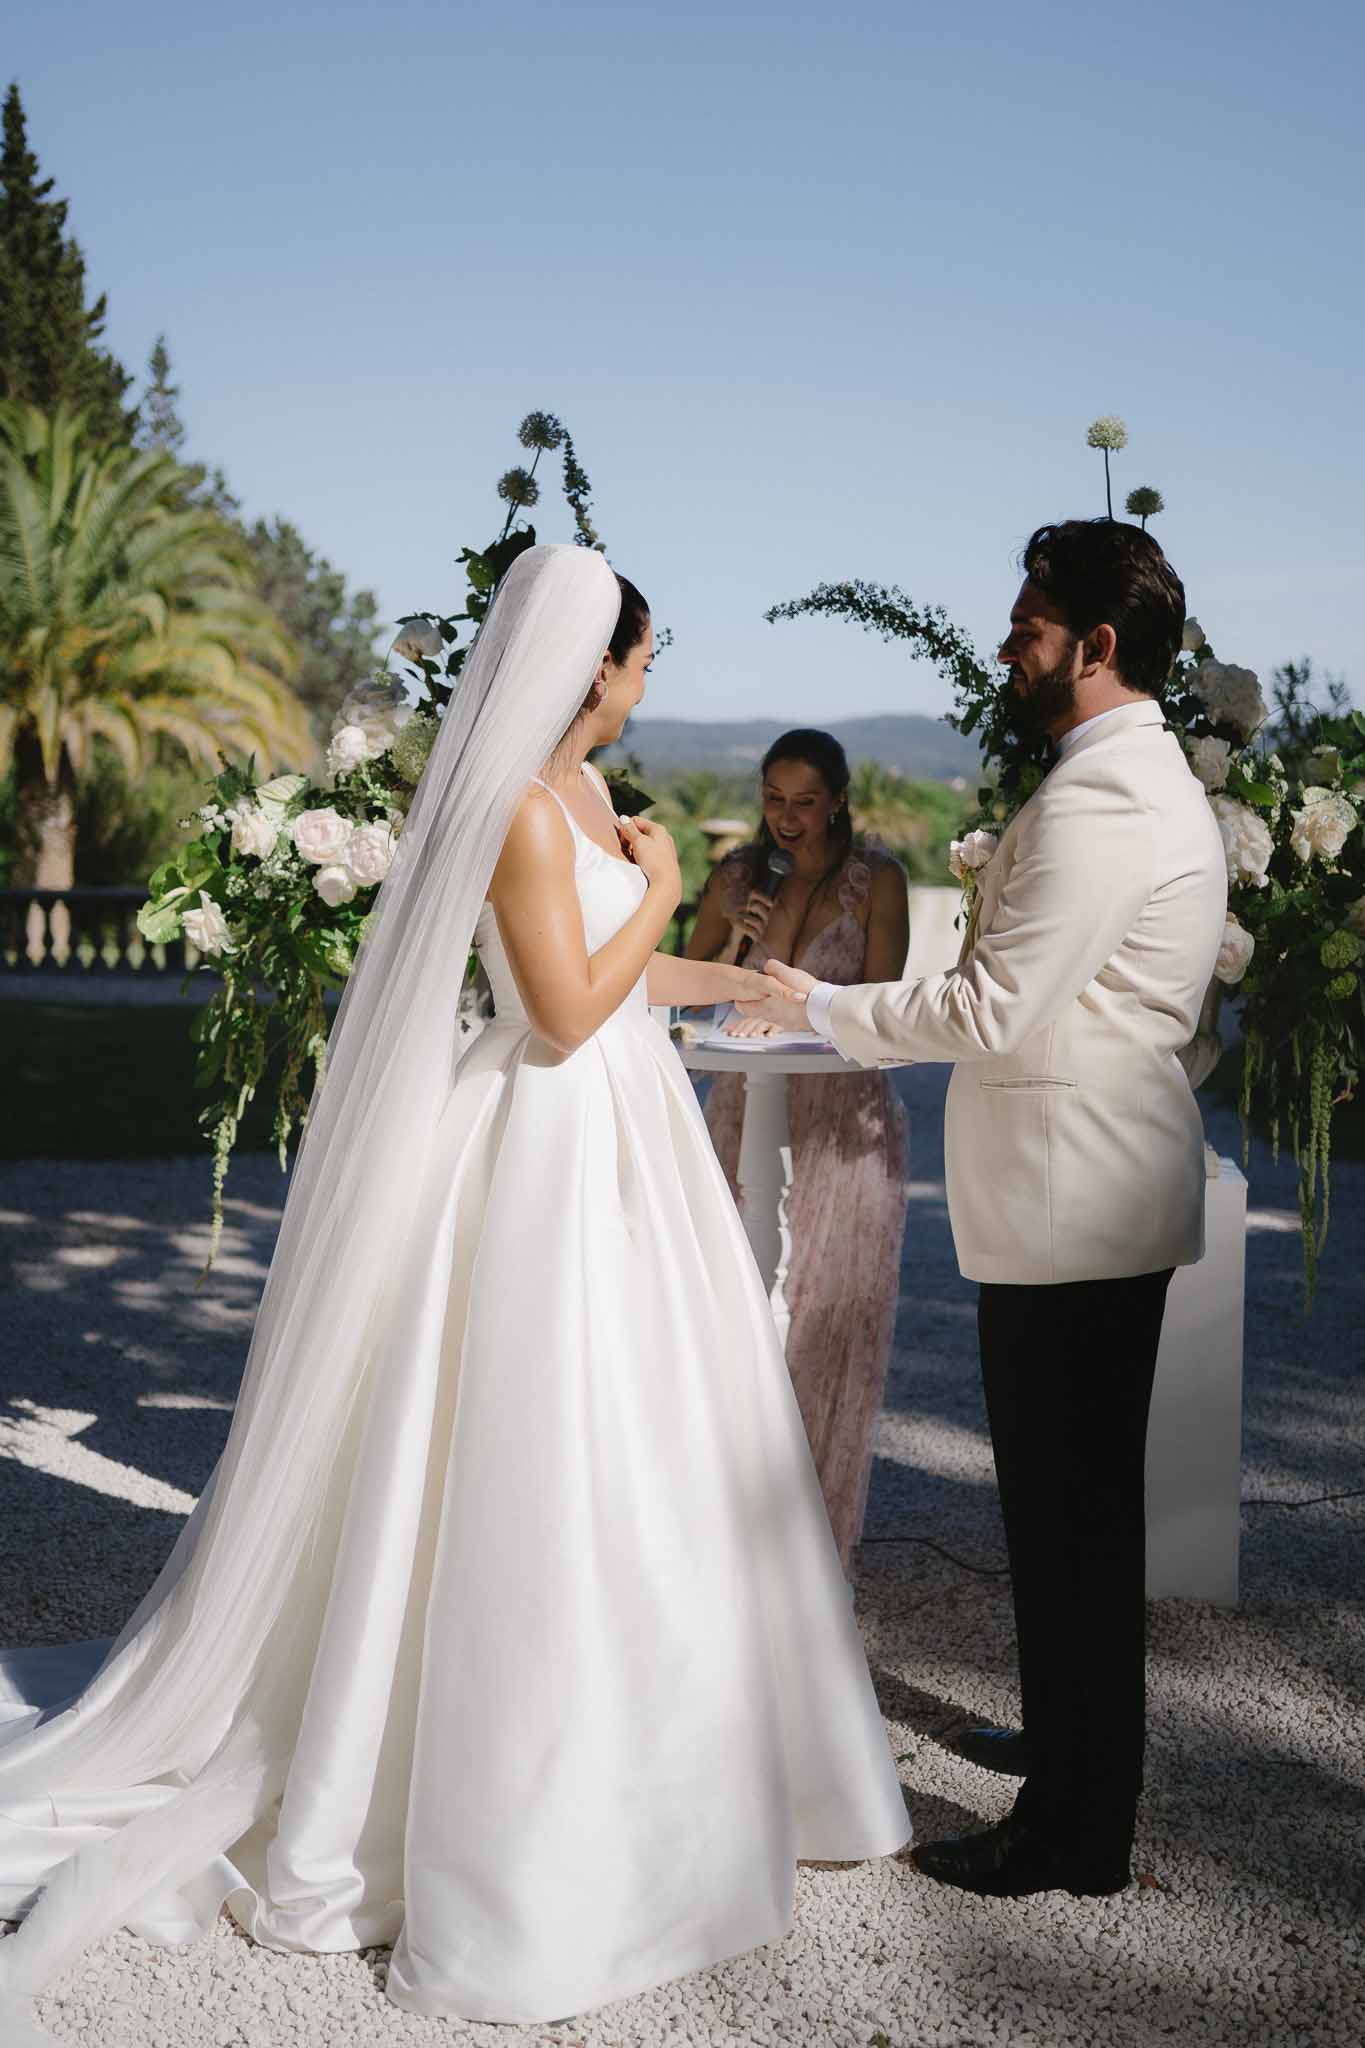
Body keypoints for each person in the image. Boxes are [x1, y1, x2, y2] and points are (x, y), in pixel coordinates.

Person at [0, 548, 910, 2044]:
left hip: (622, 1131)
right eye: (640, 660)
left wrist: (757, 986)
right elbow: (559, 1014)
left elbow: (624, 984)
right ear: (591, 667)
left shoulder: (576, 807)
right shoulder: (513, 810)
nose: (644, 682)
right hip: (551, 1137)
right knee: (539, 1437)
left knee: (658, 1441)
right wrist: (674, 883)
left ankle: (691, 1760)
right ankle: (516, 1805)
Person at [737, 521, 1227, 1899]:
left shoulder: (1101, 802)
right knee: (1074, 1517)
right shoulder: (1123, 780)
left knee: (1070, 1522)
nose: (1006, 646)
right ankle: (1076, 1756)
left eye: (1025, 626)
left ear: (1095, 644)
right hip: (1088, 1191)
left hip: (1077, 1202)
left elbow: (988, 1003)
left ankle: (1074, 1835)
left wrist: (822, 1006)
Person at [685, 731, 911, 1566]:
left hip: (845, 1119)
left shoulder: (877, 881)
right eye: (773, 798)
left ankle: (812, 1542)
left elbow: (884, 1007)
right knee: (726, 1306)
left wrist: (801, 1007)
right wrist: (733, 947)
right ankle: (718, 1529)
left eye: (804, 799)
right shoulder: (738, 877)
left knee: (829, 1317)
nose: (785, 817)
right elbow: (679, 976)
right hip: (743, 1108)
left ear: (839, 799)